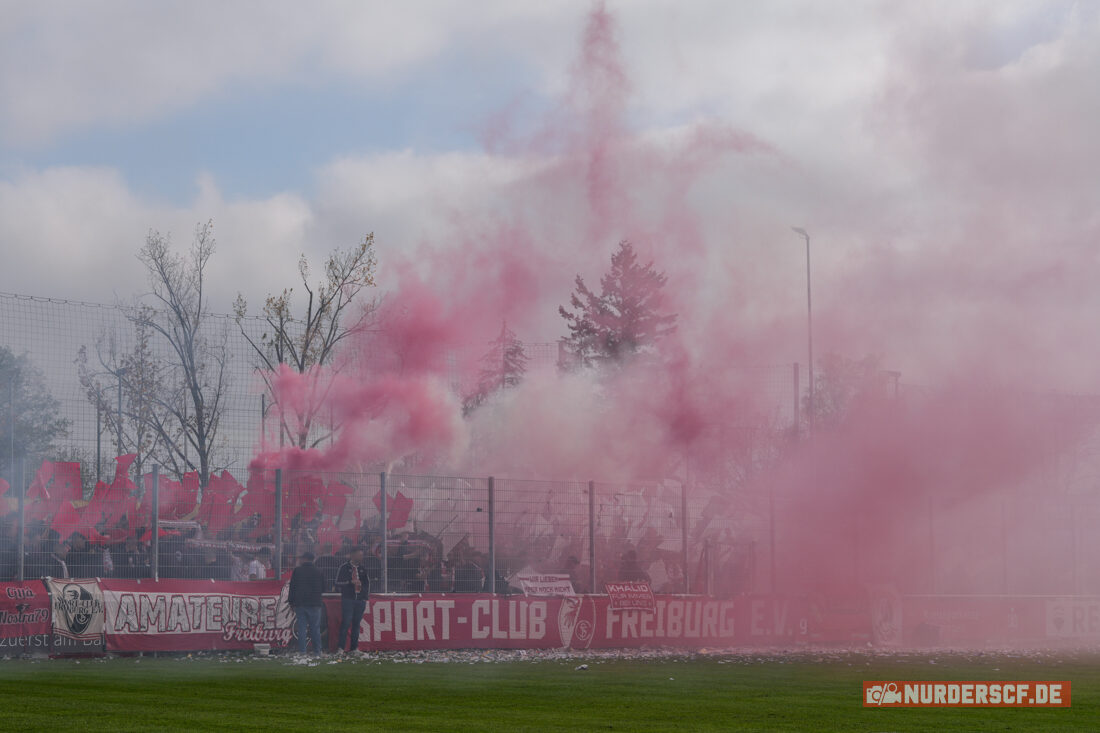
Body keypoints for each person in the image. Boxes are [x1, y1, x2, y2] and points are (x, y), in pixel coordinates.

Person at [288, 551, 325, 655]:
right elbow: (323, 588)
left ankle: (302, 651)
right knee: (315, 629)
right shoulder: (319, 571)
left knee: (302, 628)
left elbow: (292, 587)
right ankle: (317, 651)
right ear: (313, 559)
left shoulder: (297, 571)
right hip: (315, 603)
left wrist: (291, 602)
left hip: (300, 603)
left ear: (304, 559)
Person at [334, 546, 370, 653]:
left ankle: (354, 648)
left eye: (362, 555)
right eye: (359, 555)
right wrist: (350, 582)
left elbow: (367, 584)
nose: (361, 557)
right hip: (348, 599)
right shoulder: (344, 567)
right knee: (345, 623)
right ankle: (341, 647)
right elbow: (337, 583)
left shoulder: (363, 569)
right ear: (353, 555)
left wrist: (364, 597)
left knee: (356, 625)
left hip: (360, 600)